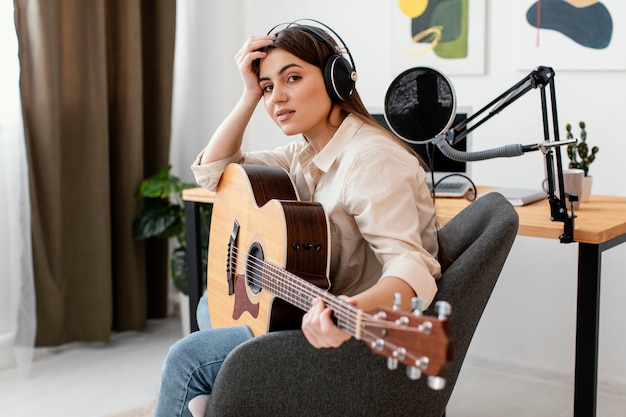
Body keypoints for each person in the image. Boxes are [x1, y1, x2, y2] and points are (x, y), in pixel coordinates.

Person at [154, 20, 441, 417]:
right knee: (211, 305)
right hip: (294, 310)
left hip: (345, 341)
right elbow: (213, 172)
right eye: (269, 86)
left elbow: (412, 266)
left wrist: (348, 315)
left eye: (292, 78)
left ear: (336, 81)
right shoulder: (303, 153)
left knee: (187, 358)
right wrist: (248, 94)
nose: (276, 98)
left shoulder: (370, 159)